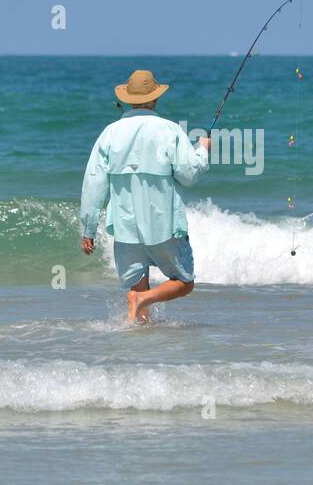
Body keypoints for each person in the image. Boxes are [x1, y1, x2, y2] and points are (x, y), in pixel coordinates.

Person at [80, 69, 213, 323]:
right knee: (185, 282)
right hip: (163, 223)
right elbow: (189, 174)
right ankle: (144, 301)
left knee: (137, 288)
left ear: (128, 98)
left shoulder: (109, 133)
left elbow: (93, 183)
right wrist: (203, 150)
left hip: (125, 226)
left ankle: (140, 342)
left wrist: (88, 229)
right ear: (155, 99)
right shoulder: (169, 130)